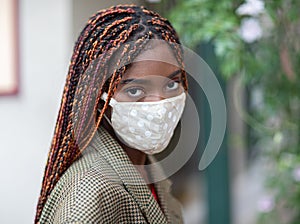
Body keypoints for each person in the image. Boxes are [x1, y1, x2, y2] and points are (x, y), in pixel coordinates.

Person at [35, 4, 188, 224]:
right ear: (98, 96)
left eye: (172, 84)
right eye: (135, 91)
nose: (160, 105)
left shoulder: (143, 164)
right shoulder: (87, 195)